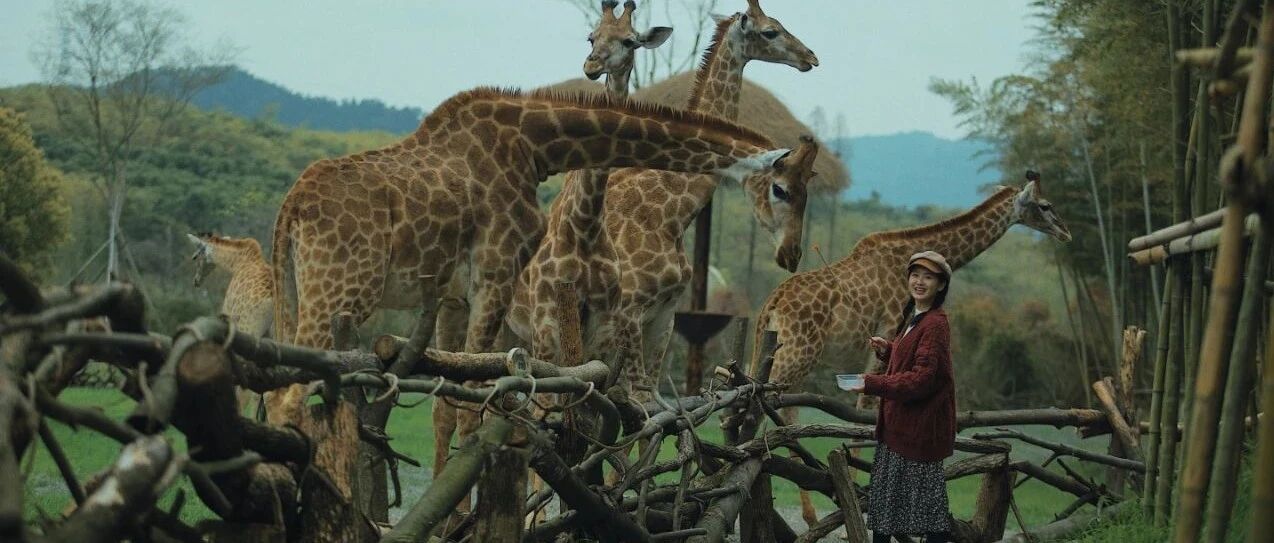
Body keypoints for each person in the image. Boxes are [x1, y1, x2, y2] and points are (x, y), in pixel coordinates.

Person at [850, 250, 956, 543]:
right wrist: (889, 349)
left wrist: (872, 383)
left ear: (941, 285)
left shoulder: (935, 324)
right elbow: (913, 358)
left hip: (918, 431)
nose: (919, 281)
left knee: (929, 519)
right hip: (900, 429)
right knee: (886, 512)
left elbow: (922, 379)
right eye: (915, 274)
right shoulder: (916, 318)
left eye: (928, 277)